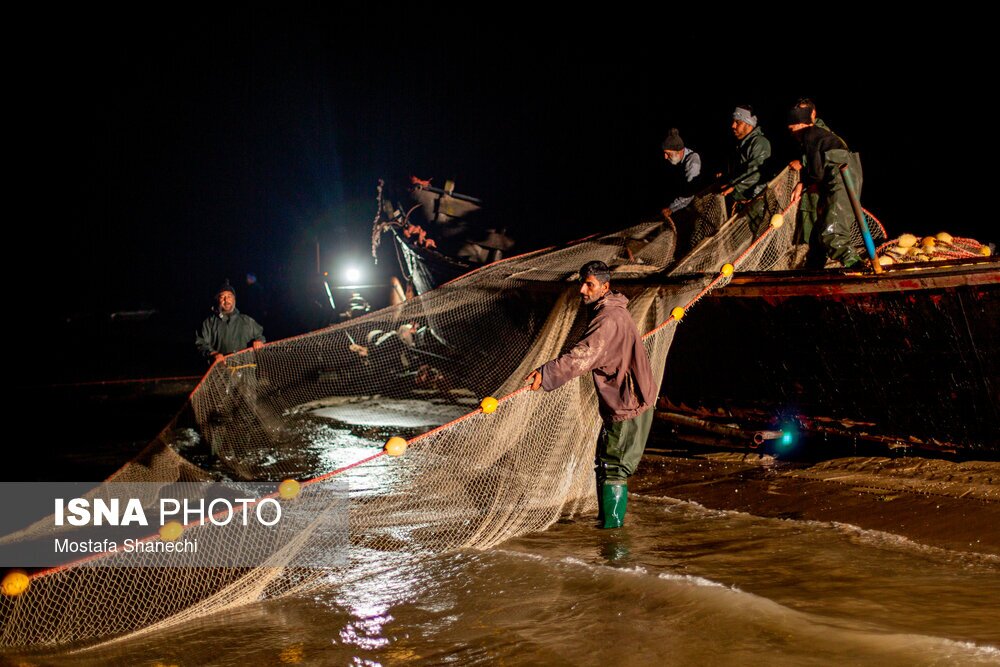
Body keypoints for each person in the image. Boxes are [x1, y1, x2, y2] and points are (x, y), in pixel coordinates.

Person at [525, 261, 657, 529]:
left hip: (627, 403)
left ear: (605, 287)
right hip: (625, 400)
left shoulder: (608, 319)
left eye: (590, 285)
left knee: (614, 469)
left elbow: (583, 356)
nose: (583, 290)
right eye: (582, 283)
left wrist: (546, 374)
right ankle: (606, 525)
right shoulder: (611, 311)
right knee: (605, 465)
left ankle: (614, 540)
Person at [787, 105, 864, 268]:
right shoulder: (816, 135)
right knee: (818, 233)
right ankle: (813, 270)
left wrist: (803, 185)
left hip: (843, 177)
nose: (791, 132)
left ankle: (856, 266)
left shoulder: (810, 135)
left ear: (801, 124)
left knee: (832, 232)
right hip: (836, 177)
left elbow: (817, 173)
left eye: (791, 127)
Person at [195, 280, 266, 364]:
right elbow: (201, 343)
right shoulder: (209, 323)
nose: (226, 300)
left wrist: (259, 341)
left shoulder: (247, 320)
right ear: (218, 300)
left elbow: (260, 336)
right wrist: (213, 354)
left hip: (245, 371)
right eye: (222, 297)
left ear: (234, 299)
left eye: (229, 296)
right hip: (222, 372)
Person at [660, 128, 702, 219]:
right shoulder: (678, 160)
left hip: (701, 208)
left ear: (678, 151)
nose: (665, 157)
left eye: (668, 153)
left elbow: (690, 193)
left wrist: (671, 209)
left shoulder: (693, 161)